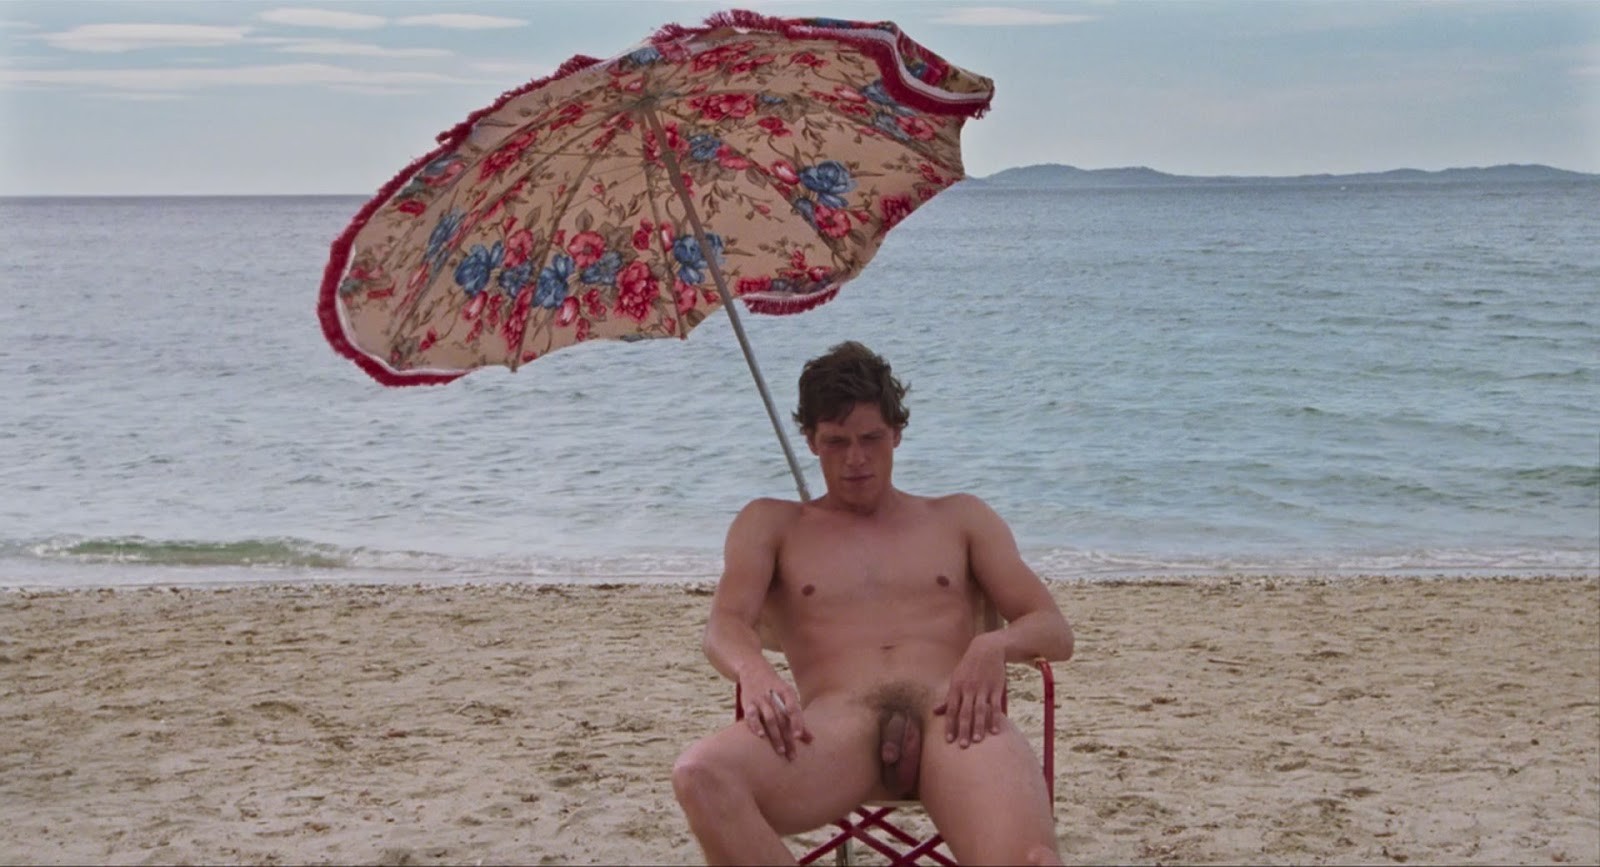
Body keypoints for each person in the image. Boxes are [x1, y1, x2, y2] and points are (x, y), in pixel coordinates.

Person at [672, 341, 1074, 866]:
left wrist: (994, 644)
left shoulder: (960, 518)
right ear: (811, 440)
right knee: (701, 777)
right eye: (836, 442)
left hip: (953, 720)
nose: (855, 459)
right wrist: (752, 669)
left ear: (897, 433)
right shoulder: (772, 525)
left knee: (1033, 860)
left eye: (871, 438)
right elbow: (724, 625)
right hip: (834, 730)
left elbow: (1053, 629)